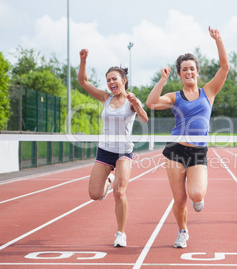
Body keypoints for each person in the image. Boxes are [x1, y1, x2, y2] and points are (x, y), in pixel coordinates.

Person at [145, 26, 229, 248]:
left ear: (197, 71)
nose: (188, 72)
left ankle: (198, 198)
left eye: (192, 68)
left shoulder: (208, 92)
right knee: (179, 199)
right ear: (180, 73)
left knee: (196, 194)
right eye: (184, 69)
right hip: (175, 150)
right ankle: (182, 231)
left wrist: (218, 40)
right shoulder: (175, 96)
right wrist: (162, 80)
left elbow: (225, 67)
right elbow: (151, 103)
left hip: (197, 151)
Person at [78, 48, 148, 247]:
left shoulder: (131, 101)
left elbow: (144, 119)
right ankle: (110, 178)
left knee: (120, 193)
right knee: (95, 195)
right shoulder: (105, 98)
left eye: (114, 79)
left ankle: (120, 233)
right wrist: (83, 60)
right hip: (105, 150)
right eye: (108, 80)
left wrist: (137, 104)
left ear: (123, 80)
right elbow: (83, 82)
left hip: (124, 152)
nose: (111, 83)